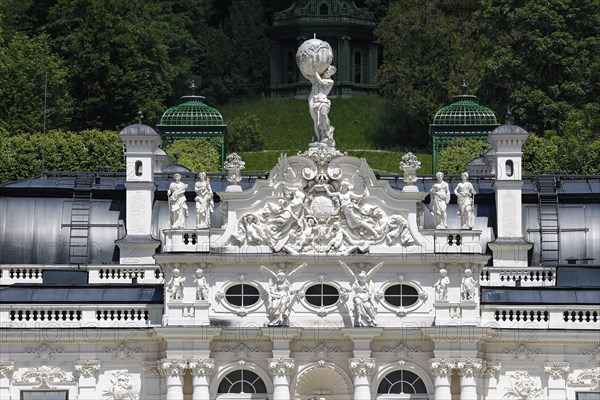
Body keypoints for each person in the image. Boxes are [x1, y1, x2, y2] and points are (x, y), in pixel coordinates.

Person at [339, 261, 384, 327]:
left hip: (365, 297)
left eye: (363, 278)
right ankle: (359, 318)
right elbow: (351, 289)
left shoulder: (366, 284)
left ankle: (372, 318)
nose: (363, 279)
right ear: (359, 278)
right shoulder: (356, 283)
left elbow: (369, 293)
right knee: (358, 302)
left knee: (368, 306)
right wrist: (344, 289)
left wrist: (369, 299)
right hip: (358, 296)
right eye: (361, 278)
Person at [308, 66, 336, 144]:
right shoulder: (316, 78)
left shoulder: (330, 81)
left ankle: (328, 134)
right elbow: (308, 76)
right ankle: (318, 138)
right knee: (316, 121)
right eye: (328, 70)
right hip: (315, 102)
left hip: (324, 102)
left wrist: (315, 70)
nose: (328, 72)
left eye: (330, 72)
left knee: (324, 115)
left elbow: (321, 81)